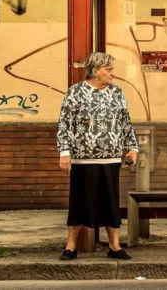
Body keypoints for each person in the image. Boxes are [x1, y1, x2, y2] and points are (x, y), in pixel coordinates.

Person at [56, 52, 139, 260]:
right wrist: (64, 152)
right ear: (95, 71)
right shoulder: (76, 93)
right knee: (79, 202)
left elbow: (125, 122)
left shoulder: (117, 93)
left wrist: (132, 148)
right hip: (82, 159)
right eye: (108, 70)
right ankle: (71, 246)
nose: (112, 73)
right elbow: (64, 124)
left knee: (111, 202)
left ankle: (115, 246)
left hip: (110, 159)